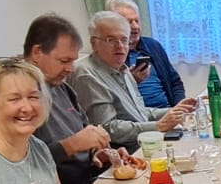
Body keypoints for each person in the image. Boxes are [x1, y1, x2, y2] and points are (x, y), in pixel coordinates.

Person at [25, 15, 127, 184]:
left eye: (72, 61)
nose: (70, 69)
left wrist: (99, 154)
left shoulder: (63, 88)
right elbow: (25, 165)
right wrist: (72, 145)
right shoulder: (22, 98)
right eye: (64, 61)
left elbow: (85, 135)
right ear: (37, 52)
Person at [71, 11, 197, 151]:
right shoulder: (87, 74)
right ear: (94, 44)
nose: (120, 46)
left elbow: (140, 113)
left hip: (145, 143)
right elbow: (107, 128)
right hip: (123, 153)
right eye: (111, 40)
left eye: (124, 40)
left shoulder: (123, 69)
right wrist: (158, 126)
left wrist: (176, 111)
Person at [105, 0, 186, 111]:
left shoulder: (152, 45)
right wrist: (131, 82)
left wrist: (179, 108)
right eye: (129, 22)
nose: (135, 26)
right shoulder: (110, 55)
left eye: (137, 21)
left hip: (169, 110)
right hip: (139, 116)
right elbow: (113, 99)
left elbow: (175, 82)